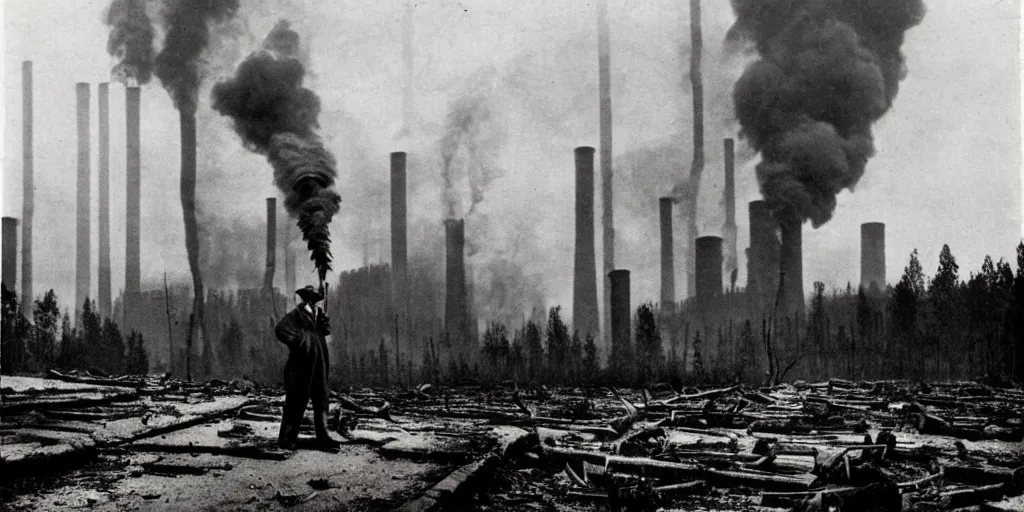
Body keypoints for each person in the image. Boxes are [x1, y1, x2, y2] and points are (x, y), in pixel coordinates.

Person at [275, 285, 343, 452]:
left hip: (319, 361)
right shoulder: (297, 314)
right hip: (301, 364)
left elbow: (325, 331)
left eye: (315, 297)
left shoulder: (318, 313)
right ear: (306, 298)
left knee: (321, 399)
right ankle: (287, 439)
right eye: (310, 297)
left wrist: (323, 321)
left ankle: (323, 437)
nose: (312, 300)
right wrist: (300, 340)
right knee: (296, 400)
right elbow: (280, 330)